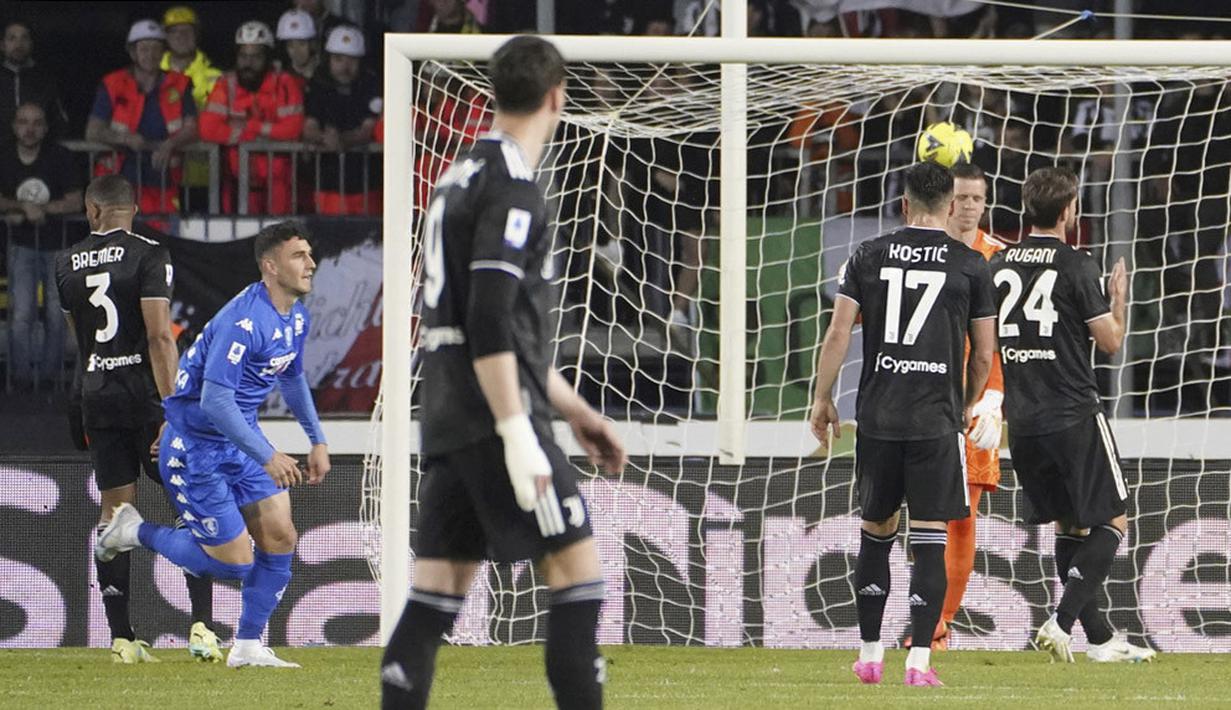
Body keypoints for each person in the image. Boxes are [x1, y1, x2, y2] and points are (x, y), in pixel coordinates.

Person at [380, 36, 625, 709]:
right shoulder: (513, 189)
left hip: (451, 416)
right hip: (497, 421)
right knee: (578, 575)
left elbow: (488, 331)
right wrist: (519, 432)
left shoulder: (455, 176)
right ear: (556, 96)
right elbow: (489, 321)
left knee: (434, 595)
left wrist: (576, 413)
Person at [95, 220, 329, 668]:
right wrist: (268, 454)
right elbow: (215, 400)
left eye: (309, 254)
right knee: (233, 565)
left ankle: (246, 647)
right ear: (270, 266)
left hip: (239, 439)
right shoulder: (245, 320)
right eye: (298, 255)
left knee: (281, 536)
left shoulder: (296, 315)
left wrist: (316, 439)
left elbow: (292, 375)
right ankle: (131, 529)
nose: (311, 263)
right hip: (196, 447)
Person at [809, 160, 996, 687]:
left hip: (880, 415)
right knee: (931, 535)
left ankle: (869, 655)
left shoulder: (867, 254)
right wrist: (967, 403)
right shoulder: (970, 264)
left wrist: (822, 399)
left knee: (876, 531)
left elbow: (839, 333)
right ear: (951, 205)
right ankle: (918, 664)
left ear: (905, 205)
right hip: (936, 418)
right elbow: (983, 353)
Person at [990, 166, 1156, 663]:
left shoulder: (997, 263)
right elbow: (1109, 343)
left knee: (1069, 528)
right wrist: (1118, 302)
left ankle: (1101, 641)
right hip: (1073, 413)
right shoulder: (1076, 264)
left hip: (1021, 420)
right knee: (1114, 522)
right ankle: (1061, 624)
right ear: (1068, 211)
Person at [54, 175, 218, 663]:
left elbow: (79, 338)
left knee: (115, 515)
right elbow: (159, 337)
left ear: (91, 211)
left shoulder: (65, 262)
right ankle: (202, 629)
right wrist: (174, 410)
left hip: (99, 399)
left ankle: (122, 638)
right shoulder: (150, 254)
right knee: (190, 505)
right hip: (149, 402)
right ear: (134, 207)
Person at [921, 162, 1007, 650]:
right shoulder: (921, 252)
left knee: (961, 517)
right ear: (946, 201)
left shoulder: (999, 258)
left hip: (974, 406)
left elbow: (1006, 342)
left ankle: (937, 625)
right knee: (900, 514)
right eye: (963, 197)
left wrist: (994, 398)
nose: (971, 207)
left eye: (979, 198)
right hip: (919, 399)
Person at [0, 102, 80, 389]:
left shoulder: (59, 156)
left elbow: (76, 200)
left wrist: (40, 210)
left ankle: (49, 379)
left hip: (57, 245)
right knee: (21, 314)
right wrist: (23, 206)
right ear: (14, 126)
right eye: (23, 122)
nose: (30, 129)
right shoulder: (5, 156)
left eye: (36, 123)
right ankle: (21, 379)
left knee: (57, 316)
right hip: (21, 246)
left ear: (46, 128)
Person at [85, 19, 198, 216]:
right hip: (118, 182)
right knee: (119, 242)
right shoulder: (113, 83)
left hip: (164, 180)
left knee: (162, 242)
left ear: (164, 52)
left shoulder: (179, 84)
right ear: (132, 52)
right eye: (144, 49)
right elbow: (93, 131)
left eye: (156, 48)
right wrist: (125, 138)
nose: (151, 55)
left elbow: (192, 127)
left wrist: (170, 144)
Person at [199, 21, 305, 215]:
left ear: (267, 57)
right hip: (236, 184)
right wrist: (255, 136)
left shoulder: (284, 83)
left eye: (256, 56)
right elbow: (208, 129)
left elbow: (293, 128)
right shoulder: (226, 85)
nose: (248, 63)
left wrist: (249, 126)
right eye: (243, 56)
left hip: (279, 186)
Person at [303, 25, 381, 215]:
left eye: (352, 60)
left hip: (366, 182)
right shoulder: (318, 85)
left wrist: (342, 140)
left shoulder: (371, 85)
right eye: (339, 59)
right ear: (328, 59)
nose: (345, 66)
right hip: (327, 182)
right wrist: (324, 138)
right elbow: (309, 127)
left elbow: (367, 130)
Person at [160, 5, 222, 211]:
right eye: (174, 31)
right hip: (160, 171)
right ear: (166, 37)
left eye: (187, 31)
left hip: (203, 173)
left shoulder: (215, 76)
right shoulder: (151, 74)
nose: (181, 36)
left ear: (197, 35)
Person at [0, 19, 68, 150]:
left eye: (24, 38)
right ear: (2, 45)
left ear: (31, 44)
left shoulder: (45, 79)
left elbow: (60, 122)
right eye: (12, 38)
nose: (18, 44)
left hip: (37, 158)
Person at [276, 9, 319, 88]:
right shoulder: (279, 77)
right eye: (290, 45)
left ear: (312, 44)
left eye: (302, 44)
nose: (297, 51)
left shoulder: (325, 74)